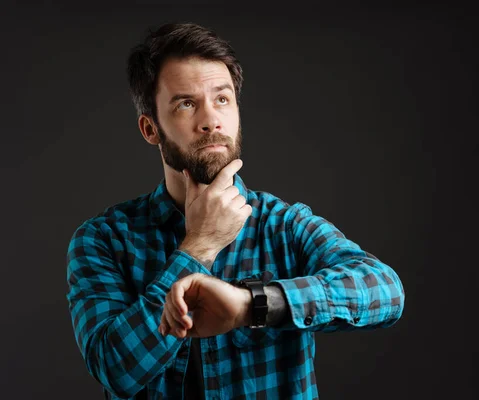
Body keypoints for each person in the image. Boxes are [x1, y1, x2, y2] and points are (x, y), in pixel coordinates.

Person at [66, 22, 405, 400]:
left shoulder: (282, 224)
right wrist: (197, 248)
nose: (211, 119)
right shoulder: (103, 240)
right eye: (186, 103)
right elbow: (115, 369)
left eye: (222, 99)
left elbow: (384, 290)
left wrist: (251, 304)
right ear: (151, 129)